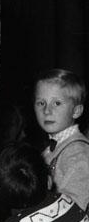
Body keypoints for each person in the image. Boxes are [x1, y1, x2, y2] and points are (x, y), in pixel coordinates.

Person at [34, 68, 89, 210]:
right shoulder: (54, 146)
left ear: (76, 111)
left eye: (57, 103)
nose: (47, 111)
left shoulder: (78, 153)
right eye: (41, 103)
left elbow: (73, 210)